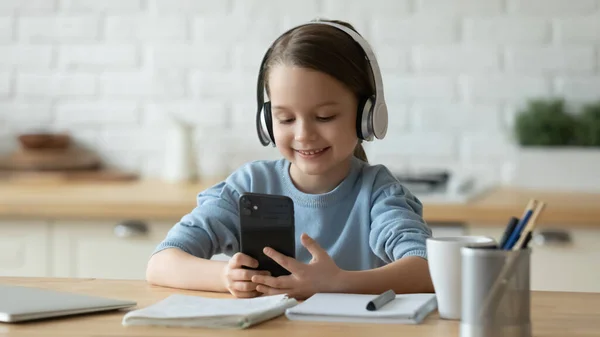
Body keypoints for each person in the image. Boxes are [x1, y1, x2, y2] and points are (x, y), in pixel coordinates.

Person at [146, 18, 434, 300]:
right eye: (285, 118)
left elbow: (427, 270)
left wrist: (337, 283)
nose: (303, 134)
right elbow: (161, 263)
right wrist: (224, 277)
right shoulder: (251, 185)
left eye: (325, 117)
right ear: (267, 122)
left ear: (366, 117)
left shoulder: (377, 192)